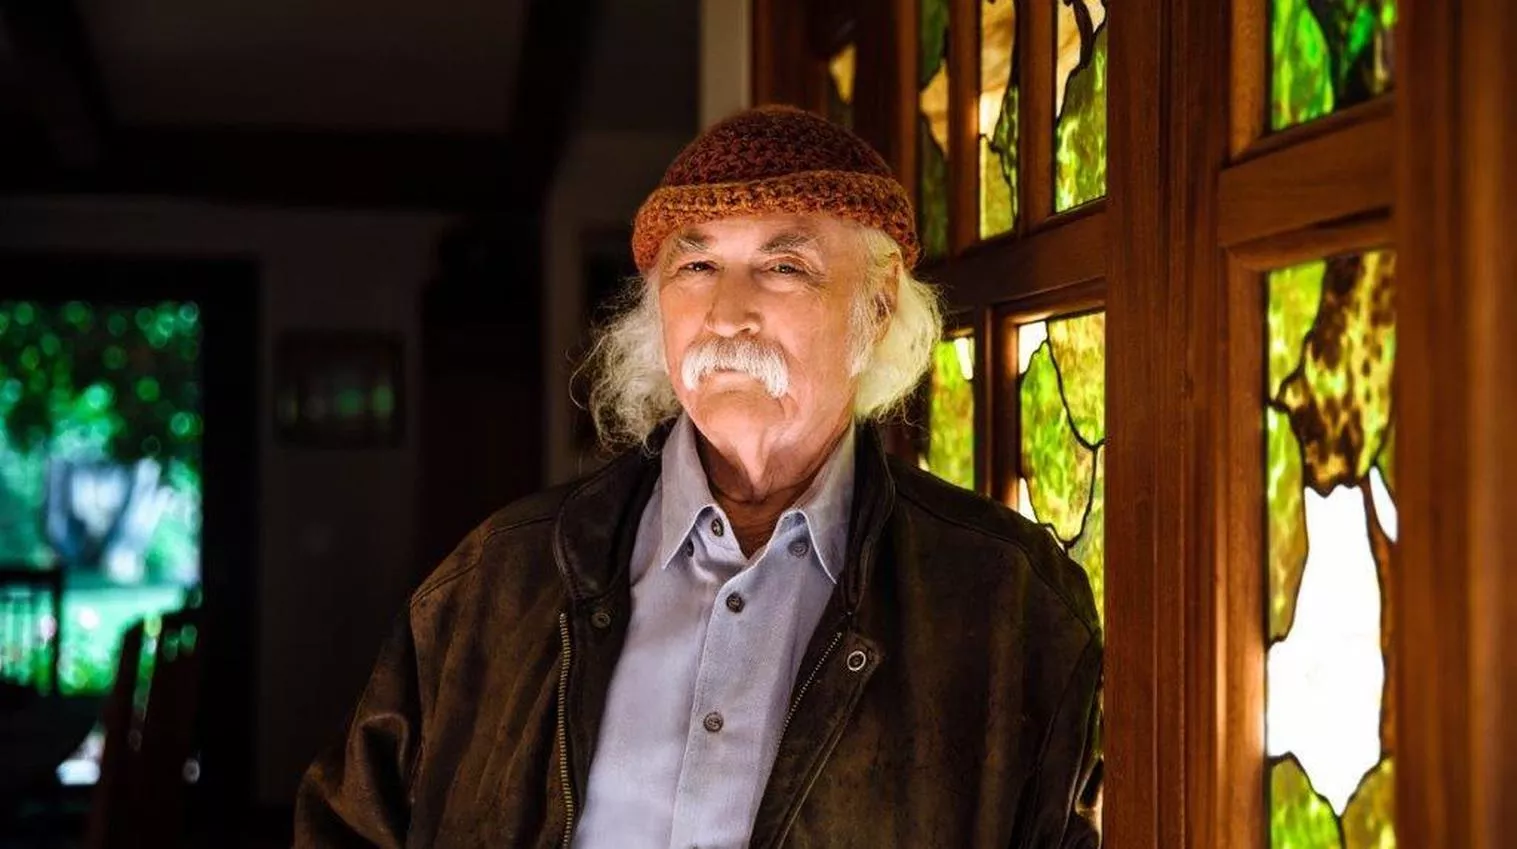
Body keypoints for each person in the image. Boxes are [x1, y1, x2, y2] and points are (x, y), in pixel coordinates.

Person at [294, 105, 1102, 848]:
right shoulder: (496, 579)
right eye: (698, 265)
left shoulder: (1009, 602)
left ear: (880, 302)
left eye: (783, 265)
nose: (726, 313)